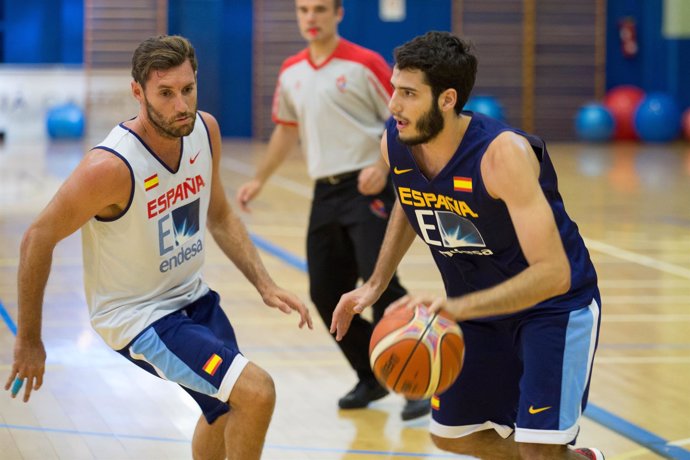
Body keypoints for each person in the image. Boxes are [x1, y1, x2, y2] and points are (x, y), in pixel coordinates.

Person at [4, 35, 313, 460]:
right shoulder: (110, 167)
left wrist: (265, 283)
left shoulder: (205, 131)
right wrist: (30, 340)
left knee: (224, 410)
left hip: (194, 298)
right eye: (165, 93)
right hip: (140, 317)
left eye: (187, 90)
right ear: (138, 92)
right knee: (257, 392)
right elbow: (37, 238)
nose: (181, 104)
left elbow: (219, 214)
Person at [331, 31, 605, 460]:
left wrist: (459, 308)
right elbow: (410, 199)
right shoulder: (397, 142)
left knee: (537, 447)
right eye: (393, 90)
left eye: (407, 93)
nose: (393, 106)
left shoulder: (502, 156)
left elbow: (554, 273)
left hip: (552, 308)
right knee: (452, 435)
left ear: (447, 99)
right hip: (478, 311)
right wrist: (376, 283)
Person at [236, 0, 430, 421]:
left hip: (369, 190)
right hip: (325, 193)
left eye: (320, 9)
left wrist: (383, 165)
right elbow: (286, 130)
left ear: (338, 14)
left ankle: (417, 379)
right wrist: (260, 179)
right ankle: (371, 374)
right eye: (304, 9)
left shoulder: (365, 64)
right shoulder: (291, 71)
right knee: (325, 291)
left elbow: (404, 117)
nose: (311, 17)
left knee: (381, 284)